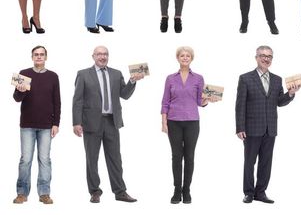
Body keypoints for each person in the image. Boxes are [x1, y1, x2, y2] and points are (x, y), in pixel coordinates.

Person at [72, 46, 145, 203]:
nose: (102, 57)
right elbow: (77, 100)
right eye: (99, 54)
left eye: (105, 54)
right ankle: (95, 192)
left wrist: (132, 80)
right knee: (92, 159)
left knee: (115, 158)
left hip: (112, 121)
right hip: (91, 122)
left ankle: (120, 192)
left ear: (108, 56)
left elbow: (124, 95)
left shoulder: (116, 74)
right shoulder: (83, 74)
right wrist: (76, 122)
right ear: (93, 56)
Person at [235, 45, 299, 204]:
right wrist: (240, 127)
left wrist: (290, 94)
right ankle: (249, 192)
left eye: (269, 56)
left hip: (270, 128)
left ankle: (261, 192)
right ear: (256, 57)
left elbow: (279, 102)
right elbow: (240, 105)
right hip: (251, 128)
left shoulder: (277, 80)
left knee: (266, 162)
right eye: (263, 55)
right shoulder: (245, 78)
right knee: (249, 162)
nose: (266, 58)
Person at [160, 46, 210, 204]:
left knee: (189, 156)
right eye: (182, 55)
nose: (185, 57)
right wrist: (164, 122)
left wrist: (207, 100)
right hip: (173, 122)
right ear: (178, 58)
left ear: (191, 58)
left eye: (188, 55)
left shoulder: (198, 78)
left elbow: (199, 101)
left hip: (192, 122)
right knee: (176, 157)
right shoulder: (170, 78)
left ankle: (186, 190)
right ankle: (177, 190)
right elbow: (165, 101)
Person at [12, 46, 60, 205]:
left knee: (45, 159)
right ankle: (22, 193)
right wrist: (20, 90)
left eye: (41, 54)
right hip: (27, 124)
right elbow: (17, 98)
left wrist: (56, 124)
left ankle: (44, 193)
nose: (39, 57)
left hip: (47, 125)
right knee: (25, 160)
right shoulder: (24, 73)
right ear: (32, 57)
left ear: (46, 57)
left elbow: (57, 102)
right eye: (36, 55)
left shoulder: (53, 76)